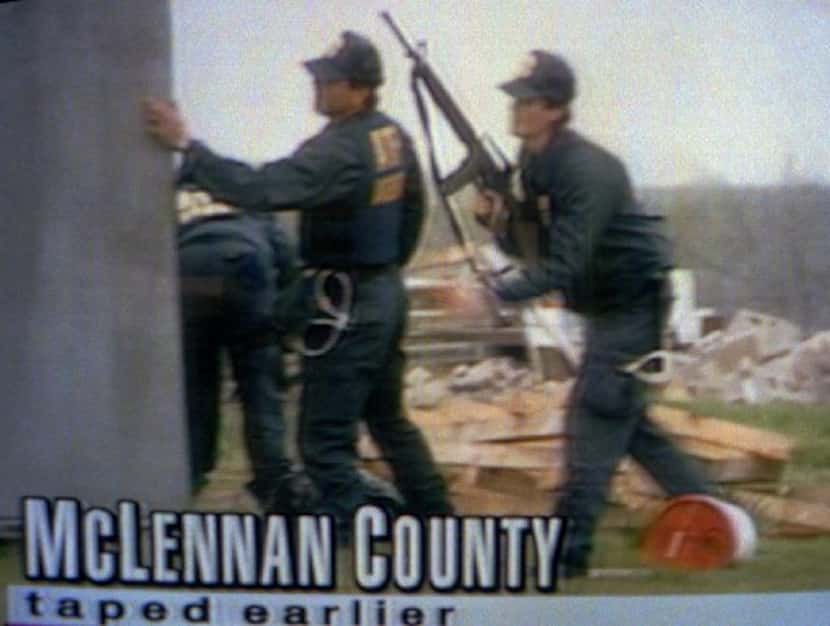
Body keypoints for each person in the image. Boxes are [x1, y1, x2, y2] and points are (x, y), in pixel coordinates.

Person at [144, 31, 453, 535]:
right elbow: (413, 213)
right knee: (389, 420)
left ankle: (355, 536)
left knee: (324, 444)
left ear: (359, 89)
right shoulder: (390, 135)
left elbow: (261, 188)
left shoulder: (338, 149)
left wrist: (187, 146)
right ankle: (439, 522)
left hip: (346, 301)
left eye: (329, 81)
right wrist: (382, 272)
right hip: (383, 292)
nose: (318, 88)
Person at [476, 51, 712, 577]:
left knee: (595, 418)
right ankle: (722, 520)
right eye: (514, 98)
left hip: (632, 305)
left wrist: (497, 295)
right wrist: (497, 224)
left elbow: (564, 261)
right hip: (605, 306)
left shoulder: (586, 169)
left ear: (556, 109)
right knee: (626, 425)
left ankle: (565, 556)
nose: (515, 109)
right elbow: (536, 247)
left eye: (528, 100)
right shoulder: (535, 162)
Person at [176, 186, 314, 514]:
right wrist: (283, 334)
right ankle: (274, 481)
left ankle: (193, 472)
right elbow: (294, 272)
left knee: (198, 384)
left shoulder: (183, 211)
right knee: (259, 386)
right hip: (245, 272)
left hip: (189, 273)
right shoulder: (256, 211)